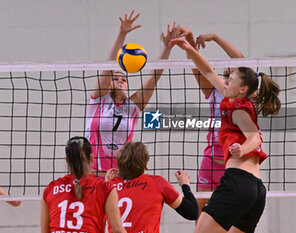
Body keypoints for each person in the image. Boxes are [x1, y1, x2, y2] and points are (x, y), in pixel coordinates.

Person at [170, 37, 281, 233]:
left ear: (243, 89)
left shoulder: (238, 109)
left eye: (230, 79)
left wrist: (242, 148)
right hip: (255, 190)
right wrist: (189, 49)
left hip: (238, 183)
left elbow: (255, 137)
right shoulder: (231, 97)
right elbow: (207, 71)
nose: (225, 81)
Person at [85, 10, 178, 176]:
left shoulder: (132, 107)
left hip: (121, 175)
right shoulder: (99, 100)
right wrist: (122, 34)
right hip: (94, 174)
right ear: (108, 84)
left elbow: (154, 76)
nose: (121, 80)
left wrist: (167, 47)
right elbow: (108, 67)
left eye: (124, 79)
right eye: (116, 78)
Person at [175, 25, 244, 216]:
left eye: (233, 74)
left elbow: (240, 60)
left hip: (235, 165)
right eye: (226, 75)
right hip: (210, 161)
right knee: (201, 213)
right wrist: (189, 42)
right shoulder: (214, 91)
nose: (229, 78)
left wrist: (215, 36)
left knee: (232, 219)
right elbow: (199, 65)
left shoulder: (244, 96)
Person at [105, 141, 199, 233]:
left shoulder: (108, 187)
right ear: (145, 165)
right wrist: (185, 185)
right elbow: (192, 213)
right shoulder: (157, 183)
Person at [40, 136, 126, 233]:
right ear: (91, 158)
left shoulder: (50, 189)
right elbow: (118, 230)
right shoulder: (105, 188)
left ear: (67, 160)